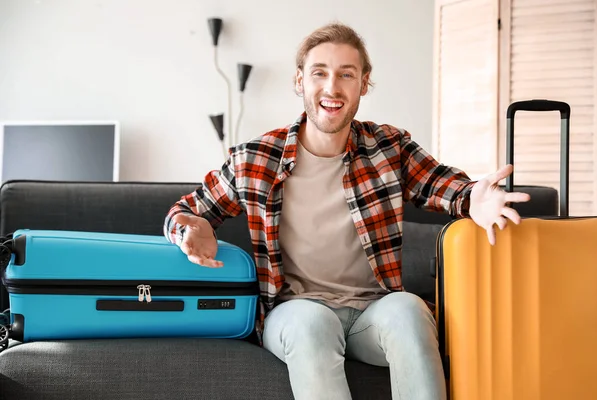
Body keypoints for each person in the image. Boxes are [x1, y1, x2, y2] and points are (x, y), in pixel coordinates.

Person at [163, 22, 530, 400]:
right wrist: (188, 230)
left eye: (346, 75)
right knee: (313, 323)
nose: (332, 88)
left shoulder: (389, 147)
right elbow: (185, 212)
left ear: (364, 84)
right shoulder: (254, 159)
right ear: (299, 81)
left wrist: (474, 199)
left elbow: (441, 184)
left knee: (409, 310)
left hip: (372, 313)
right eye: (319, 73)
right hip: (295, 312)